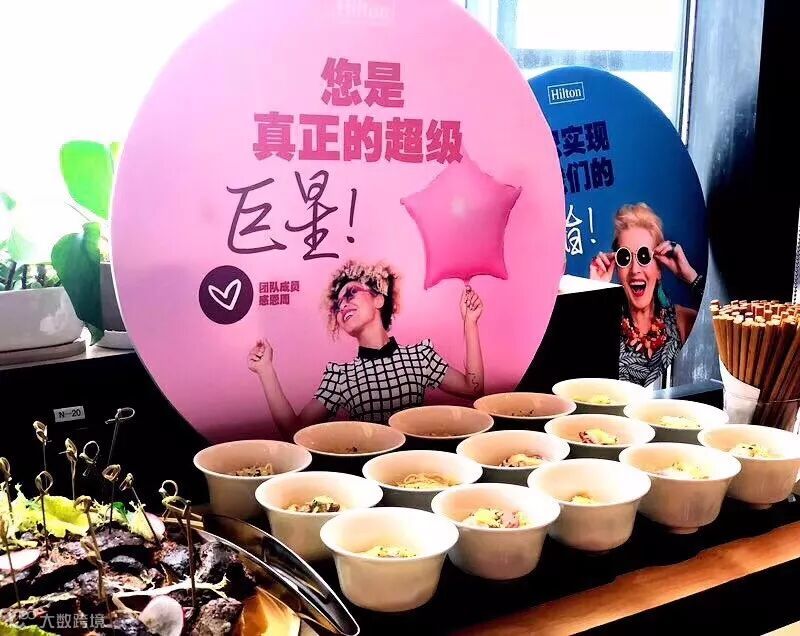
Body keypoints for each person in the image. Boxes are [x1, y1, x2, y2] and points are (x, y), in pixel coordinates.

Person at [247, 260, 484, 438]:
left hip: (419, 469)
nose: (343, 305)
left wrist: (470, 323)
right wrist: (265, 370)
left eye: (351, 293)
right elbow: (294, 430)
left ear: (378, 299)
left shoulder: (420, 356)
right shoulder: (342, 377)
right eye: (338, 305)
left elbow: (473, 388)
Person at [589, 203, 703, 387]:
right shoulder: (602, 324)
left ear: (659, 269)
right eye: (625, 258)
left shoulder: (683, 322)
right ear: (617, 268)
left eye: (643, 256)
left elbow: (728, 337)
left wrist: (690, 276)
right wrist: (594, 292)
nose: (635, 270)